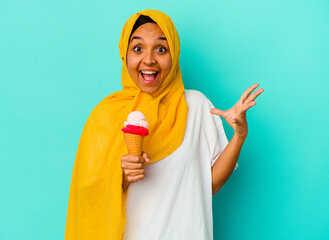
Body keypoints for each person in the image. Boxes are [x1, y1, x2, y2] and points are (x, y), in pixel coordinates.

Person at [65, 9, 264, 240]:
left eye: (161, 49)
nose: (148, 60)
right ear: (124, 55)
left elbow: (210, 185)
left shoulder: (196, 105)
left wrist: (239, 136)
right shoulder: (104, 116)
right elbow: (88, 199)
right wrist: (121, 177)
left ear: (174, 54)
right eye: (138, 48)